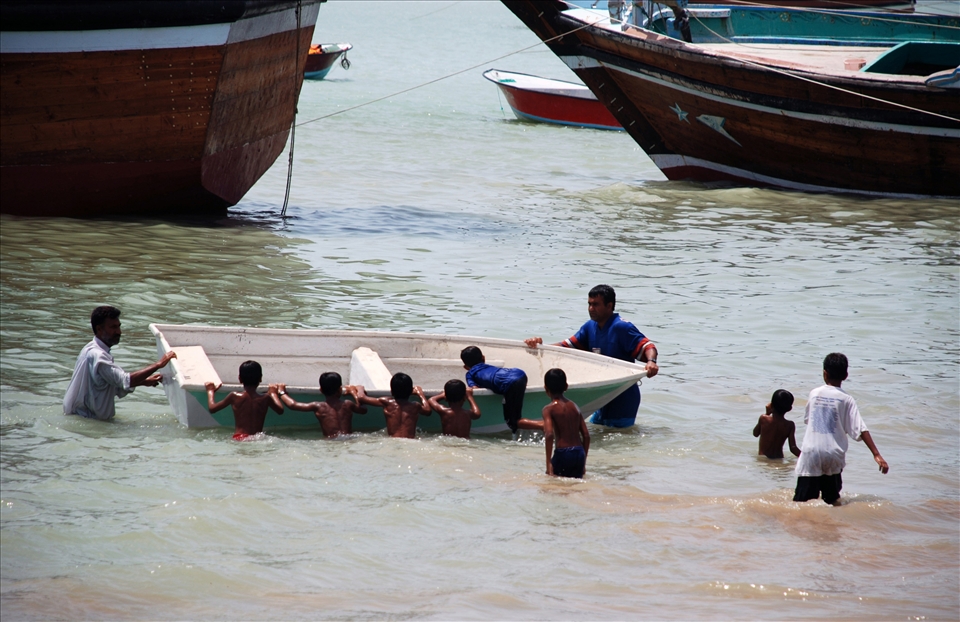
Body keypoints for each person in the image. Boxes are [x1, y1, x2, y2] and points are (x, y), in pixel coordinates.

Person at [525, 284, 658, 427]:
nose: (591, 309)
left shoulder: (621, 327)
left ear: (609, 305)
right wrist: (539, 346)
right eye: (589, 304)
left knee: (617, 442)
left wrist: (651, 361)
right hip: (601, 396)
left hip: (623, 398)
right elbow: (565, 347)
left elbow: (648, 346)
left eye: (596, 305)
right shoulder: (589, 327)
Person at [794, 353, 889, 506]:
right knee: (832, 501)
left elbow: (808, 421)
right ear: (846, 375)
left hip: (811, 453)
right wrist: (876, 454)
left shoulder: (814, 394)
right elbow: (860, 428)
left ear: (825, 373)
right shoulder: (847, 399)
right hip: (833, 454)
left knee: (803, 503)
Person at [63, 305, 176, 421]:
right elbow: (125, 380)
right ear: (99, 329)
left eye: (118, 326)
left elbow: (110, 384)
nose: (119, 332)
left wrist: (143, 382)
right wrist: (159, 364)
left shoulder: (91, 349)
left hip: (81, 417)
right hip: (85, 419)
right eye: (113, 327)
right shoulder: (98, 356)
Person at [461, 345, 541, 435]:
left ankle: (544, 425)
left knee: (513, 422)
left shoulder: (470, 374)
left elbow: (474, 389)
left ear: (465, 367)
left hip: (509, 383)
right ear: (483, 358)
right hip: (518, 373)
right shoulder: (488, 366)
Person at [204, 360, 283, 441]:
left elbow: (212, 408)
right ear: (260, 378)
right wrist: (274, 393)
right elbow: (280, 410)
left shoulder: (234, 396)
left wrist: (210, 391)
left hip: (239, 438)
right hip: (257, 439)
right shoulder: (266, 398)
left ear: (240, 378)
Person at [276, 372, 367, 438]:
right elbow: (363, 409)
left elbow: (293, 405)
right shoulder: (348, 404)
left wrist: (281, 392)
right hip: (349, 440)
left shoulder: (318, 406)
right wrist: (355, 392)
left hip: (331, 441)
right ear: (340, 389)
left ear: (321, 390)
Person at [542, 369, 590, 479]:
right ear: (566, 386)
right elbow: (586, 436)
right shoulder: (575, 407)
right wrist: (583, 462)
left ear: (545, 388)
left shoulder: (548, 409)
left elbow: (549, 434)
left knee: (556, 489)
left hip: (563, 453)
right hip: (579, 453)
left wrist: (548, 463)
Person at [355, 372, 431, 439]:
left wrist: (360, 388)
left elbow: (361, 398)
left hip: (392, 441)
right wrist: (420, 393)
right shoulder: (415, 406)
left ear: (391, 391)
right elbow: (428, 410)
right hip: (410, 441)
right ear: (411, 391)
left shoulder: (387, 402)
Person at [753, 389, 801, 459]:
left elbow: (755, 434)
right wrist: (806, 457)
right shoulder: (789, 425)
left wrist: (767, 413)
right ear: (790, 408)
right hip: (779, 460)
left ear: (771, 405)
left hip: (763, 460)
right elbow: (793, 448)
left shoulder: (763, 419)